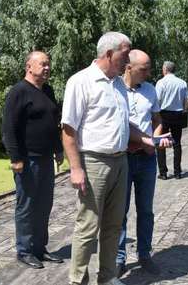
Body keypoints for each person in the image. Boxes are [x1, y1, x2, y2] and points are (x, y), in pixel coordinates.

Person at [62, 32, 172, 285]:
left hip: (121, 160)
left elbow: (126, 125)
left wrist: (148, 140)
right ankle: (77, 279)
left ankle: (108, 276)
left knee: (113, 225)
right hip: (94, 162)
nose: (127, 60)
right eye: (125, 54)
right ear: (109, 54)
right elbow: (68, 130)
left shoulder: (118, 84)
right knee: (88, 226)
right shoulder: (81, 81)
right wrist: (75, 168)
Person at [1, 51, 65, 269]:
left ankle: (40, 248)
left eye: (48, 64)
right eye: (42, 64)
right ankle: (25, 250)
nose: (47, 68)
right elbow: (8, 128)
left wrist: (58, 149)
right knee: (27, 206)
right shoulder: (18, 92)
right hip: (28, 161)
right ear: (29, 66)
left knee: (44, 205)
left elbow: (54, 121)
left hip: (46, 158)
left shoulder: (47, 90)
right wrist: (15, 158)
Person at [116, 50, 163, 277]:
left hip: (146, 159)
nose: (148, 72)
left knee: (146, 210)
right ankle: (118, 259)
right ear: (128, 67)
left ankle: (144, 254)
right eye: (144, 68)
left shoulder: (151, 90)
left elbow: (157, 120)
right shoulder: (114, 88)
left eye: (149, 68)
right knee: (119, 211)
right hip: (122, 158)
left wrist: (156, 138)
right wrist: (143, 141)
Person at [155, 61, 188, 179]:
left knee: (161, 143)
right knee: (177, 143)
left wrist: (155, 116)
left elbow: (157, 100)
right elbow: (187, 101)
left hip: (164, 114)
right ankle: (177, 172)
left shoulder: (161, 82)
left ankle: (163, 172)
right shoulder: (182, 83)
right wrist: (183, 112)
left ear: (165, 69)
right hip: (178, 114)